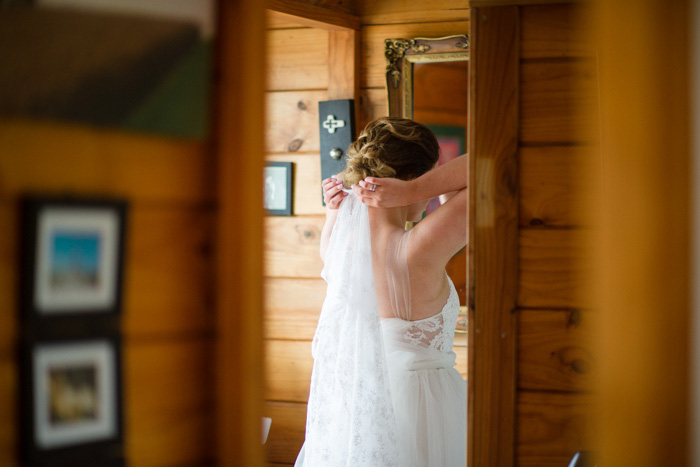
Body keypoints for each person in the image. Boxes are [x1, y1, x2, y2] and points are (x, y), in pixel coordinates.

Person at [295, 117, 467, 467]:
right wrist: (415, 191)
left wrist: (333, 212)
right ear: (411, 179)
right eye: (429, 174)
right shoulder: (417, 248)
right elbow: (486, 167)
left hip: (358, 407)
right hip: (425, 406)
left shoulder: (334, 245)